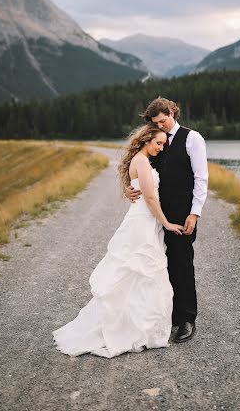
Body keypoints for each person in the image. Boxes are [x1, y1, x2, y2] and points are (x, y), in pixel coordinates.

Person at [52, 124, 184, 358]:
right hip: (143, 222)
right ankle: (135, 329)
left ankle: (139, 327)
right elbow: (151, 198)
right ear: (146, 140)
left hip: (144, 221)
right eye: (158, 143)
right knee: (138, 272)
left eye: (164, 144)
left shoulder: (141, 160)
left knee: (141, 275)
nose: (161, 148)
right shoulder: (142, 162)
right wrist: (167, 223)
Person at [126, 97, 208, 343]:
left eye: (163, 120)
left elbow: (201, 179)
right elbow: (136, 166)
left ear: (172, 112)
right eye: (156, 123)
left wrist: (194, 213)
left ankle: (186, 318)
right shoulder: (154, 139)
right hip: (155, 214)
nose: (160, 126)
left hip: (183, 214)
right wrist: (129, 188)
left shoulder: (192, 138)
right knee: (158, 262)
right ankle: (167, 313)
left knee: (182, 262)